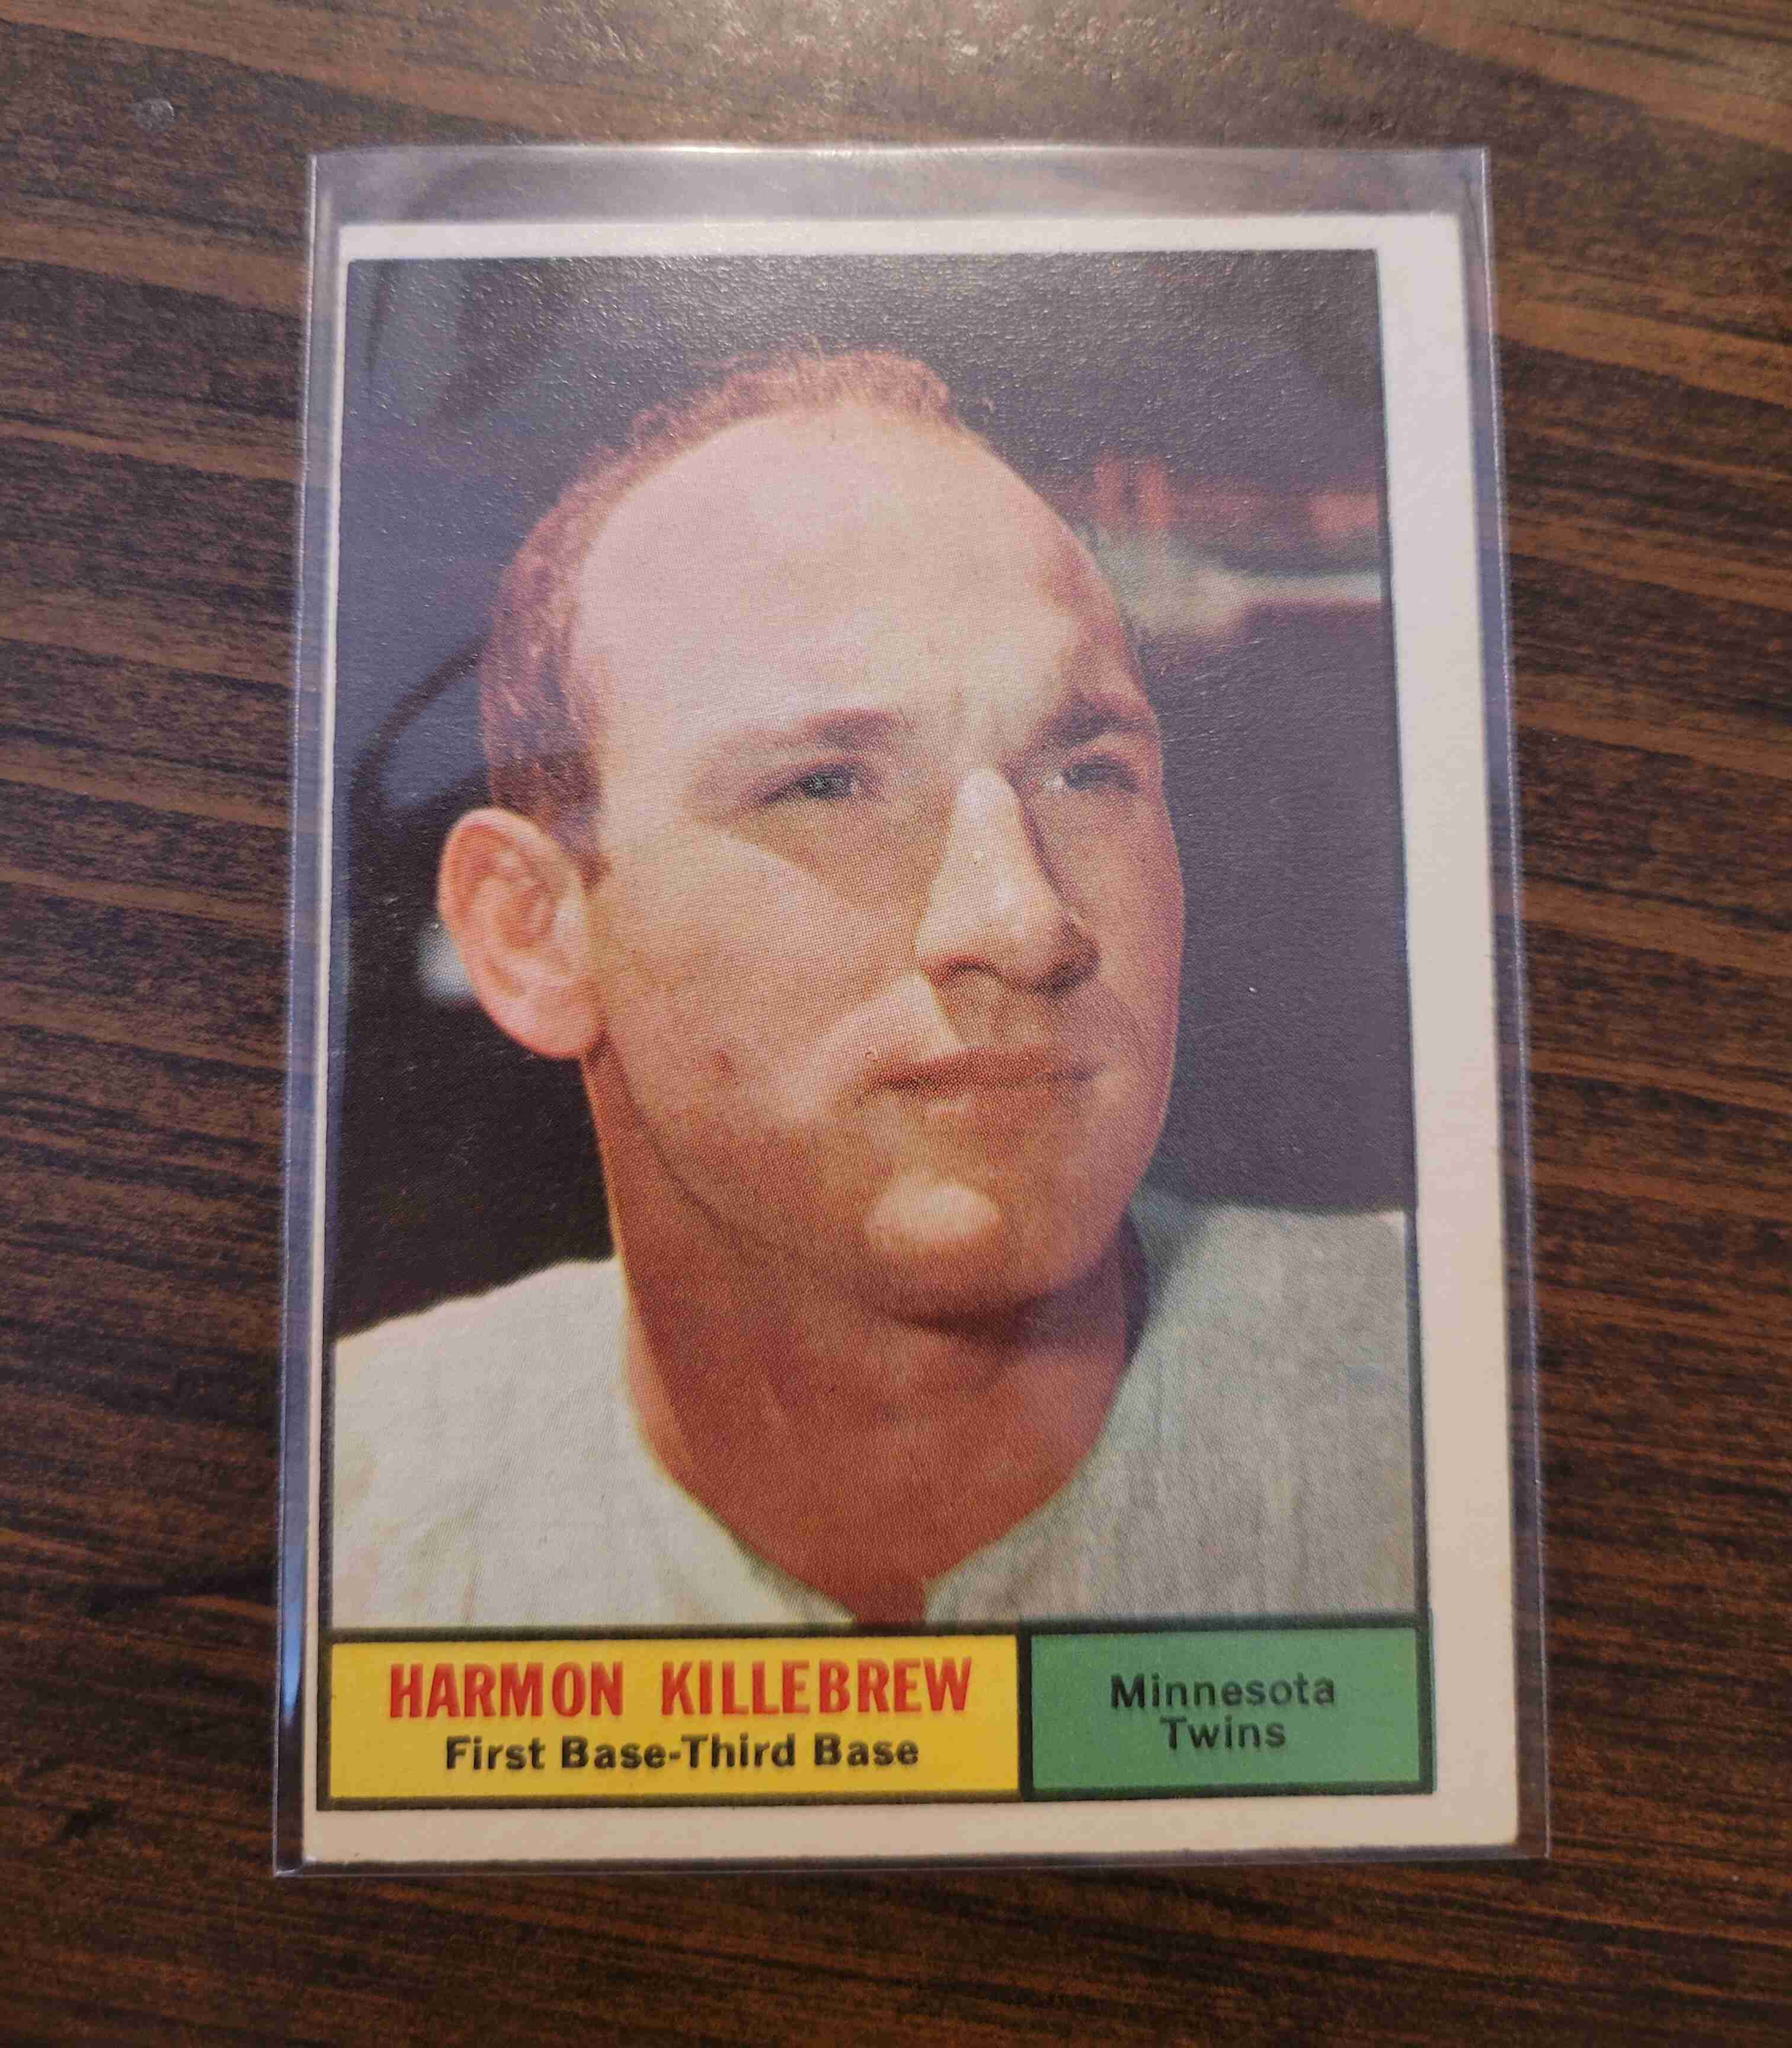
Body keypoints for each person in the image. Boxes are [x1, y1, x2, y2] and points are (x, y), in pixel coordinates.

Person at [333, 349, 1413, 1627]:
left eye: (1087, 773)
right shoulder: (354, 1518)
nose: (1024, 923)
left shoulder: (1448, 1389)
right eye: (826, 786)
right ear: (533, 934)